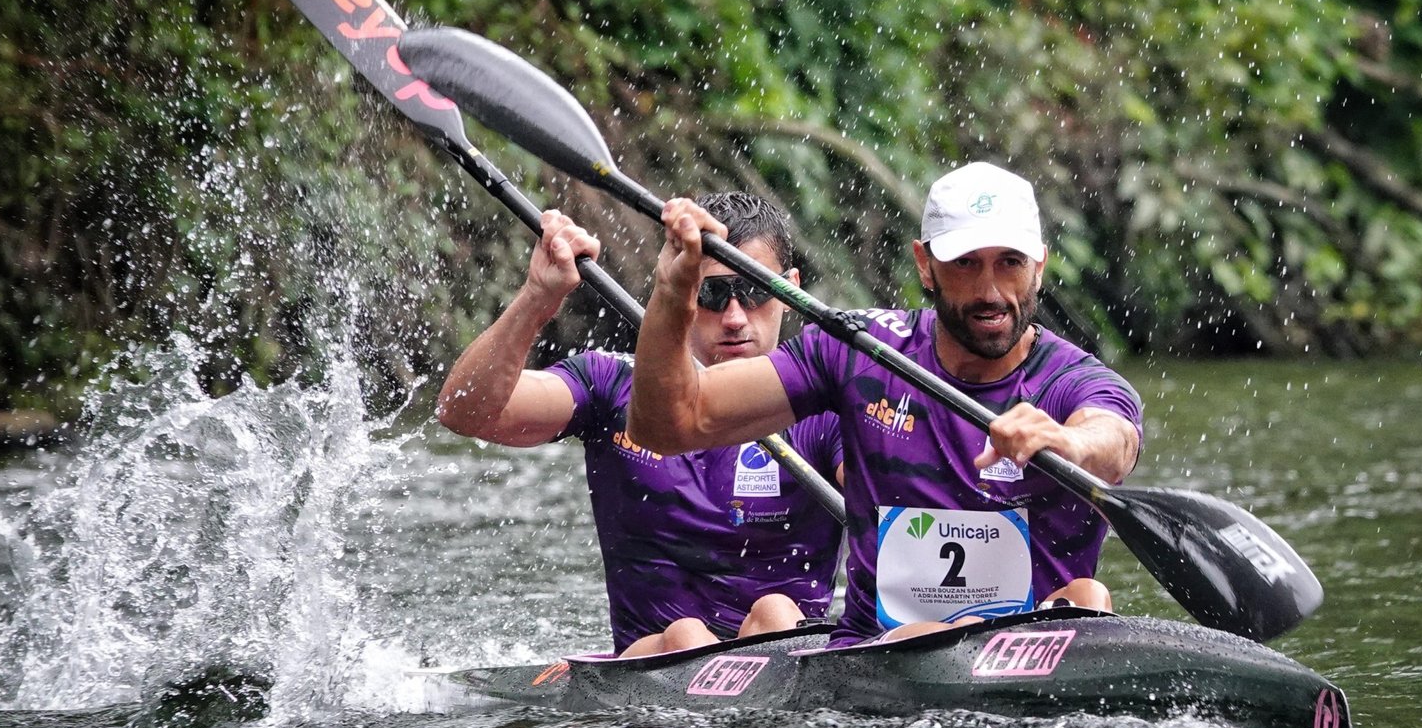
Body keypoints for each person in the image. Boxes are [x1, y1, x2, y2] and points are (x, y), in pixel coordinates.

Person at [627, 162, 1142, 647]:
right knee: (925, 636)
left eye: (1010, 263)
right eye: (965, 263)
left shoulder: (1074, 380)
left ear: (1039, 268)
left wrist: (1067, 440)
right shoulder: (859, 351)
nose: (990, 291)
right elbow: (669, 424)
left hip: (1032, 658)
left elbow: (1113, 442)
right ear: (925, 265)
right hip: (879, 664)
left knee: (1088, 598)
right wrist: (672, 295)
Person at [437, 192, 843, 657]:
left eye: (754, 290)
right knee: (686, 634)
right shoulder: (611, 386)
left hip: (785, 666)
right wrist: (537, 297)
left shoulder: (824, 408)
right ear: (682, 293)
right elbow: (466, 411)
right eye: (711, 294)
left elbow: (897, 497)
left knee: (773, 610)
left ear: (789, 291)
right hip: (654, 675)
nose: (734, 318)